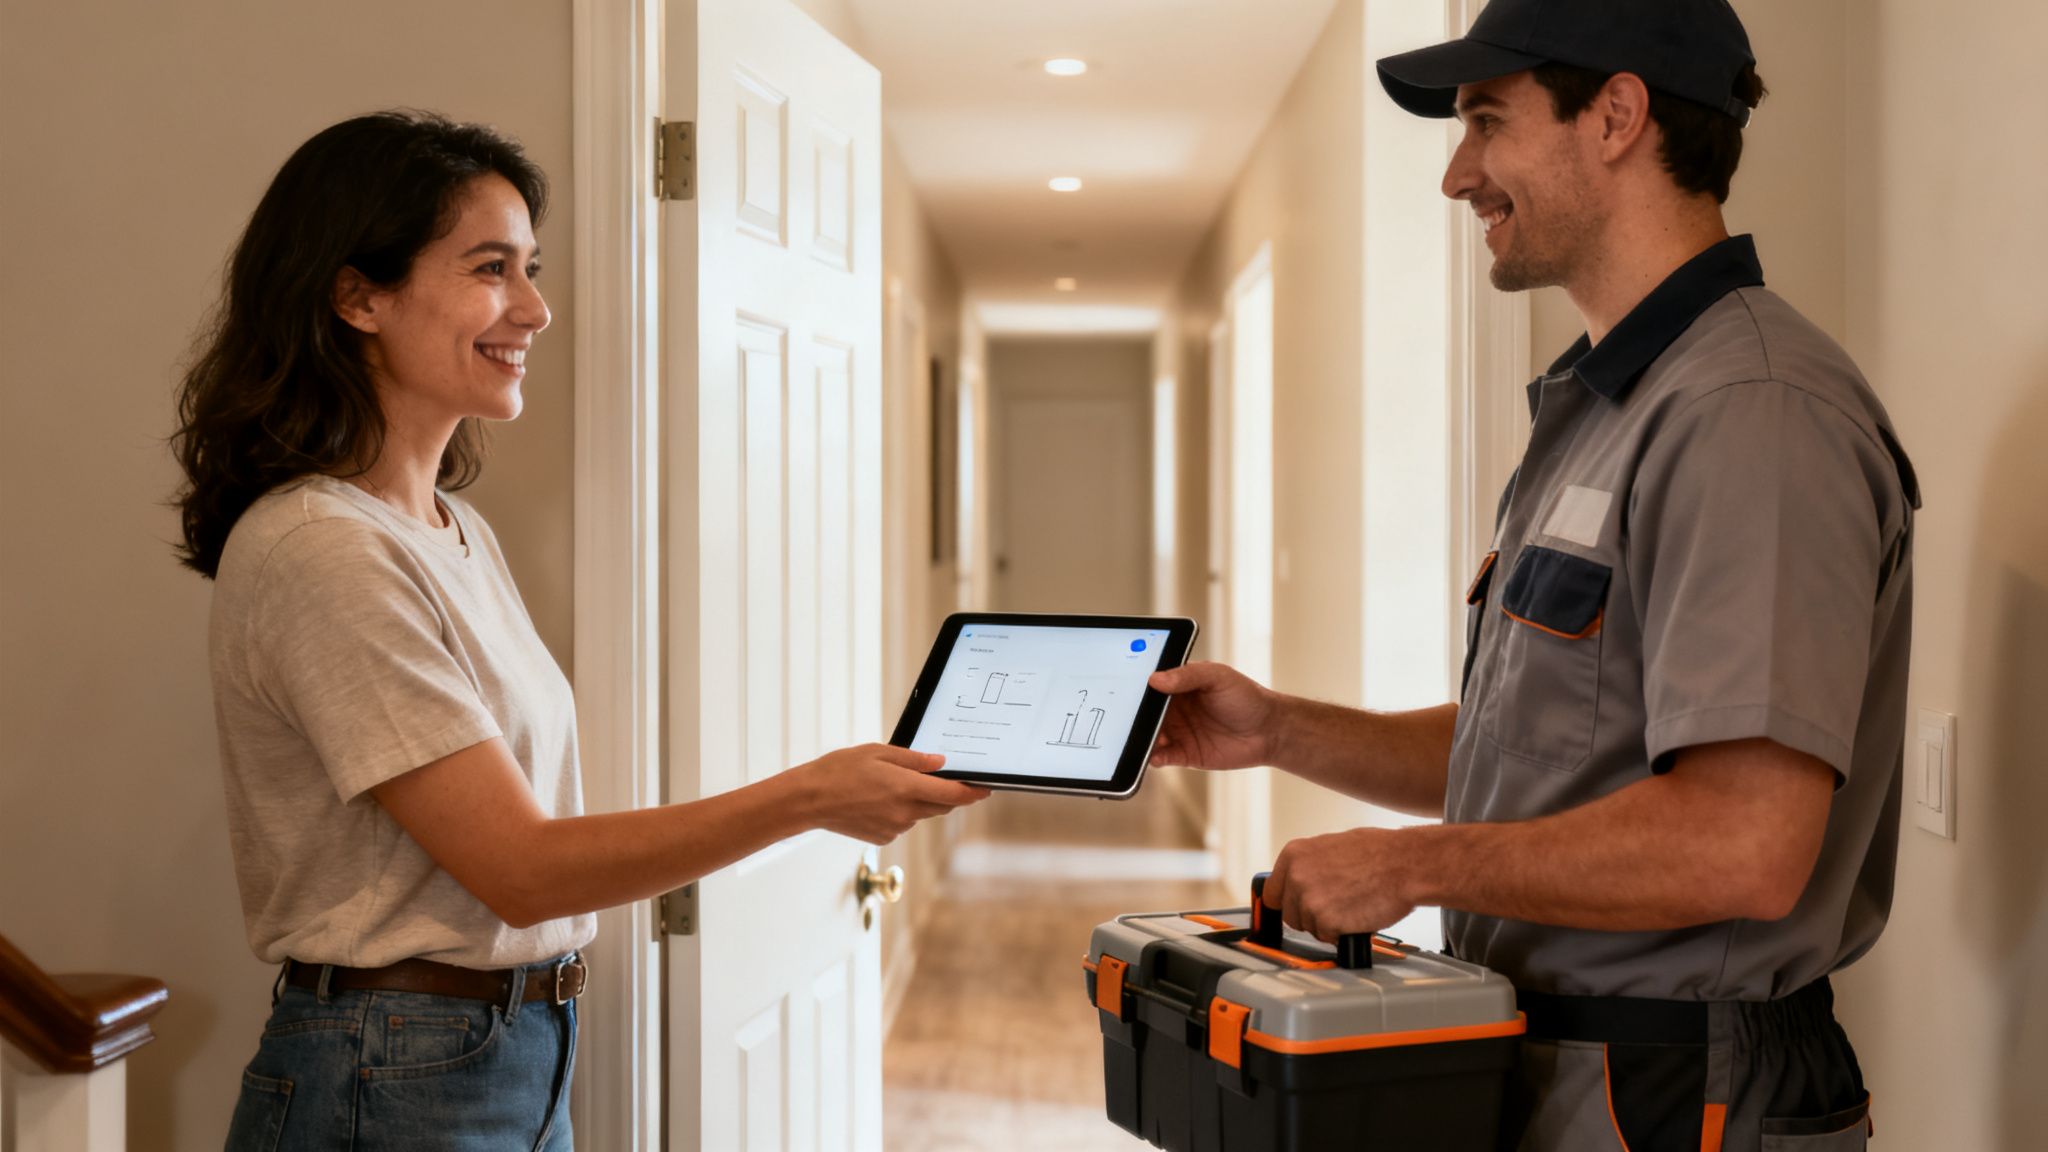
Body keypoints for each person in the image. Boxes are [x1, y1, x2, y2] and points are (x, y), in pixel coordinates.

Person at [1148, 1, 1918, 1148]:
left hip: (1676, 1085)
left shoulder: (1748, 413)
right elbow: (1546, 756)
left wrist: (1408, 865)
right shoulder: (1605, 404)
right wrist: (1277, 731)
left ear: (1615, 115)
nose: (1457, 175)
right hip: (1565, 1064)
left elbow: (1740, 842)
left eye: (1483, 121)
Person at [172, 111, 987, 1150]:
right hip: (397, 1064)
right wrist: (814, 795)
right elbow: (524, 868)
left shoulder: (451, 531)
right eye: (490, 269)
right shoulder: (318, 548)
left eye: (531, 268)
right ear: (357, 295)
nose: (535, 308)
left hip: (509, 1045)